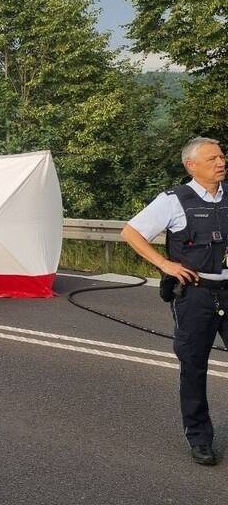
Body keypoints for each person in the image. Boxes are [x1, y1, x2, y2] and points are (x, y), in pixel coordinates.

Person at [121, 137, 228, 466]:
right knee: (194, 368)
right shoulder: (173, 200)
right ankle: (199, 439)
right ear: (191, 166)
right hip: (195, 295)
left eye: (222, 156)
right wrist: (165, 265)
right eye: (212, 158)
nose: (221, 162)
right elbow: (131, 232)